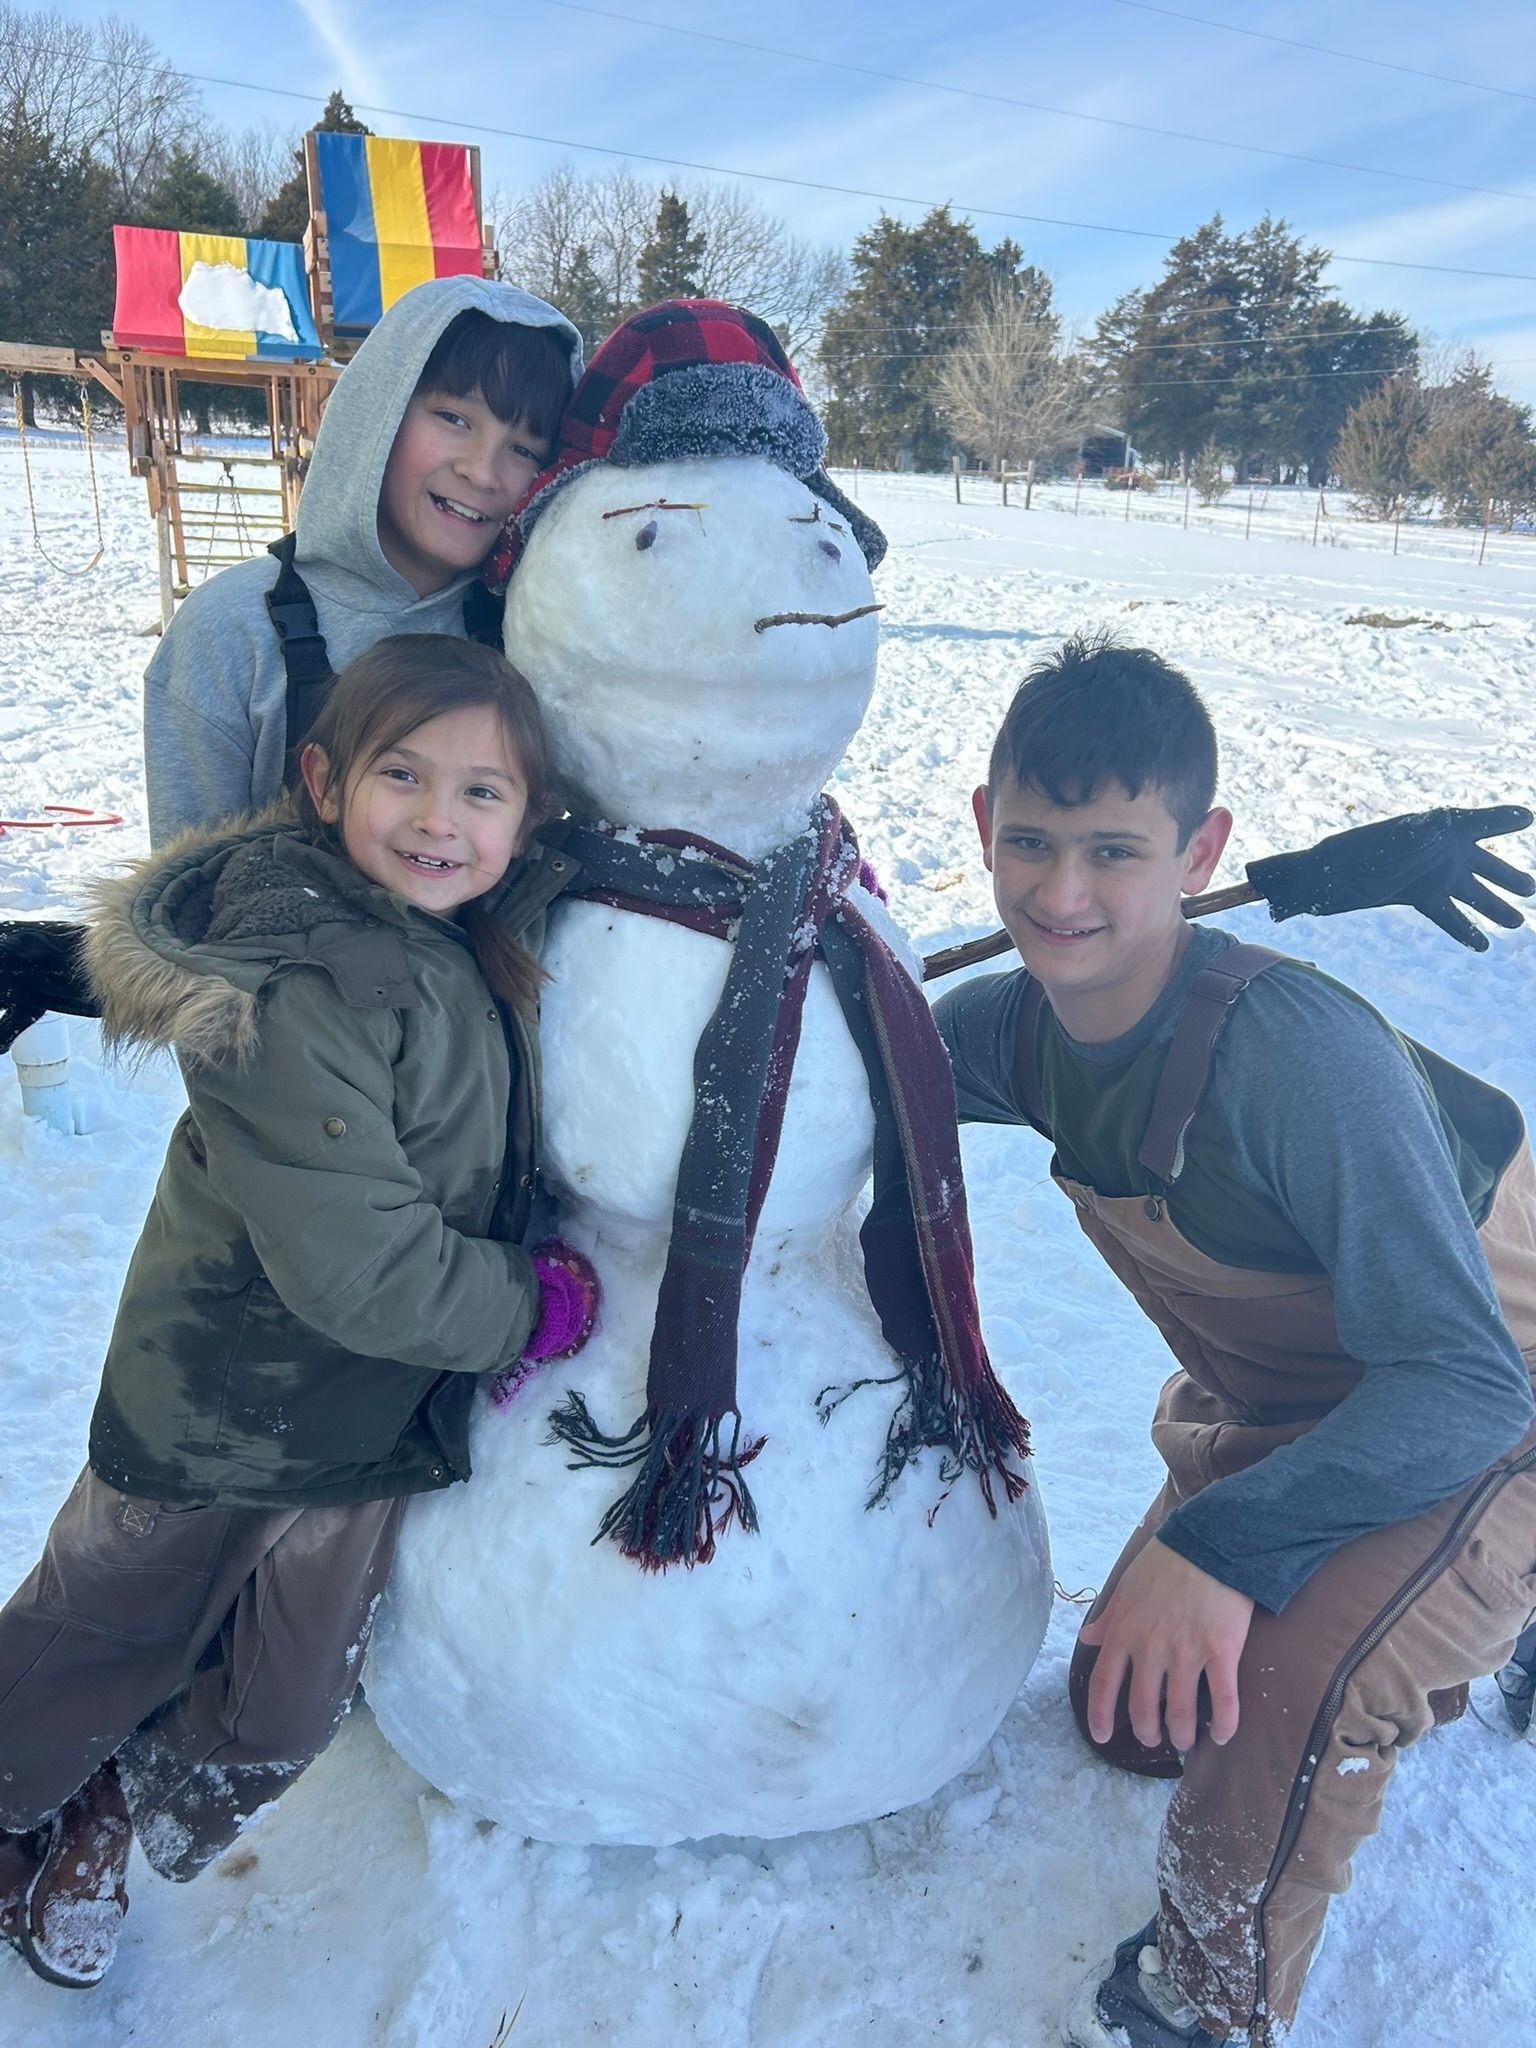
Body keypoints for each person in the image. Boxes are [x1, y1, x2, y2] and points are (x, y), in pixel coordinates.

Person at [931, 636, 1536, 2048]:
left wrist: (1224, 1548)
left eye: (1115, 853)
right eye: (1031, 843)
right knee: (1132, 1712)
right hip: (1300, 1403)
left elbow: (1460, 1380)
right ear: (981, 827)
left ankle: (1199, 2007)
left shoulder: (1296, 1057)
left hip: (1487, 1411)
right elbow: (855, 1040)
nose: (1062, 894)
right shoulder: (1017, 1032)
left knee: (1282, 1692)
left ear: (1202, 850)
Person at [0, 636, 599, 1990]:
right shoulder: (298, 980)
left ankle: (103, 1809)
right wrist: (524, 1306)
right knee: (92, 1634)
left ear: (530, 817)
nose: (441, 819)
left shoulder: (455, 939)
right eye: (406, 775)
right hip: (219, 1404)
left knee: (279, 1702)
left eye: (484, 792)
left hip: (366, 1422)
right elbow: (359, 1264)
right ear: (325, 782)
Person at [145, 274, 583, 846]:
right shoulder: (230, 633)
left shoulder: (537, 637)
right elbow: (180, 901)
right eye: (455, 419)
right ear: (381, 414)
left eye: (524, 450)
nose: (482, 470)